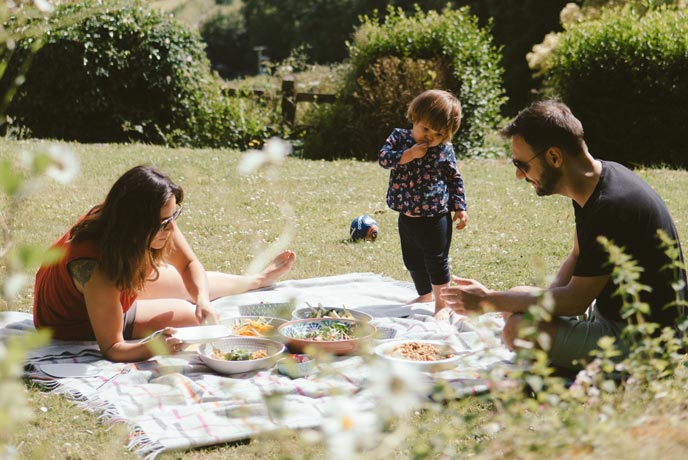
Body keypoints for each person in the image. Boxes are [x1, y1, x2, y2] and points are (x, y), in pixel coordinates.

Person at [440, 100, 687, 371]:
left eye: (521, 164)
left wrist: (488, 300)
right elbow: (578, 254)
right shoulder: (596, 181)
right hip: (610, 316)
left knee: (517, 330)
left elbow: (574, 301)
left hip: (646, 342)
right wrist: (538, 298)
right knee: (517, 299)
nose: (518, 175)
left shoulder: (612, 206)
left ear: (554, 157)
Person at [33, 165, 296, 362]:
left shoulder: (137, 222)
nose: (171, 228)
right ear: (137, 226)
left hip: (117, 272)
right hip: (73, 317)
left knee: (189, 291)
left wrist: (203, 299)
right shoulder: (95, 271)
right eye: (163, 223)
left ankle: (256, 280)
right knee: (189, 319)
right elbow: (113, 348)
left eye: (174, 216)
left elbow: (188, 264)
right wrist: (153, 345)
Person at [379, 89, 468, 314]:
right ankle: (425, 295)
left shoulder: (444, 150)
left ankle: (442, 305)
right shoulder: (400, 138)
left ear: (446, 135)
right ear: (414, 118)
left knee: (437, 262)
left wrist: (460, 206)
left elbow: (454, 177)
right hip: (406, 216)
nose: (429, 136)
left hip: (435, 217)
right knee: (412, 261)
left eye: (437, 133)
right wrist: (408, 154)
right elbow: (383, 158)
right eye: (425, 128)